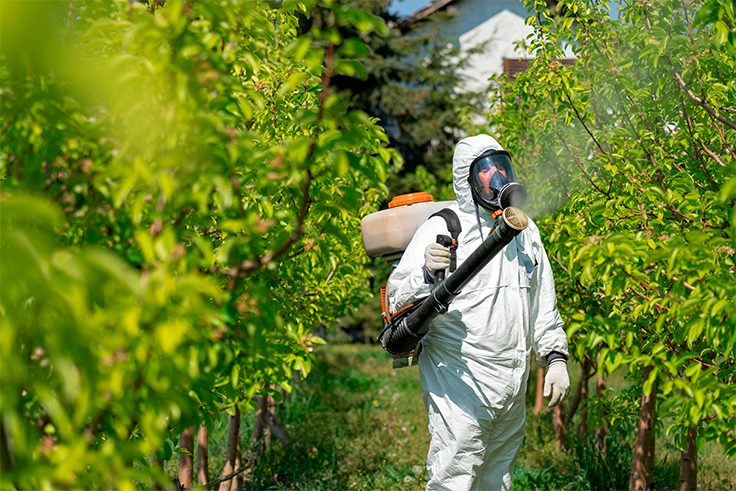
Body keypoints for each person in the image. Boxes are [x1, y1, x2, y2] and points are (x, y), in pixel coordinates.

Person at [387, 134, 570, 491]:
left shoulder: (525, 229)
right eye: (485, 169)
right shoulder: (444, 227)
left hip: (512, 382)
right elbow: (396, 294)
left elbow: (541, 303)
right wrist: (425, 272)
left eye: (501, 165)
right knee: (453, 475)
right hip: (458, 377)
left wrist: (555, 356)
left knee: (497, 479)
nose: (497, 175)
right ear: (466, 179)